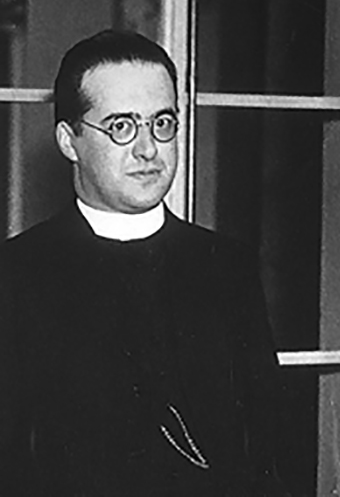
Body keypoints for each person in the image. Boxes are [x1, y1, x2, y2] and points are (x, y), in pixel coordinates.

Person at [0, 29, 287, 496]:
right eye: (121, 127)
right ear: (69, 141)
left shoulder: (226, 268)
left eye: (162, 123)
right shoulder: (16, 275)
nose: (148, 149)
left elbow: (265, 453)